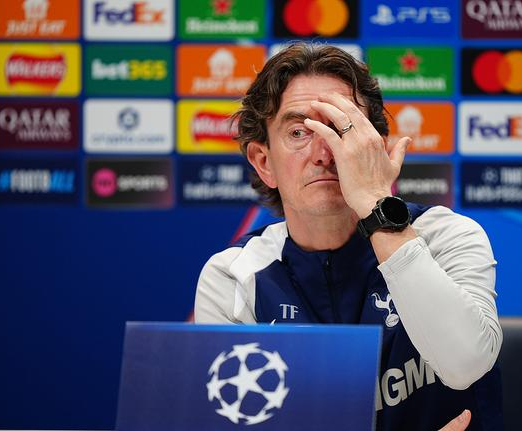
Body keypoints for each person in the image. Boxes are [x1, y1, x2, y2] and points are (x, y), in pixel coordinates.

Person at [194, 42, 503, 431]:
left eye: (342, 129)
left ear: (373, 147)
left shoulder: (447, 236)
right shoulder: (232, 278)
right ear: (264, 162)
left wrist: (377, 204)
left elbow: (465, 365)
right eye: (298, 132)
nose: (324, 153)